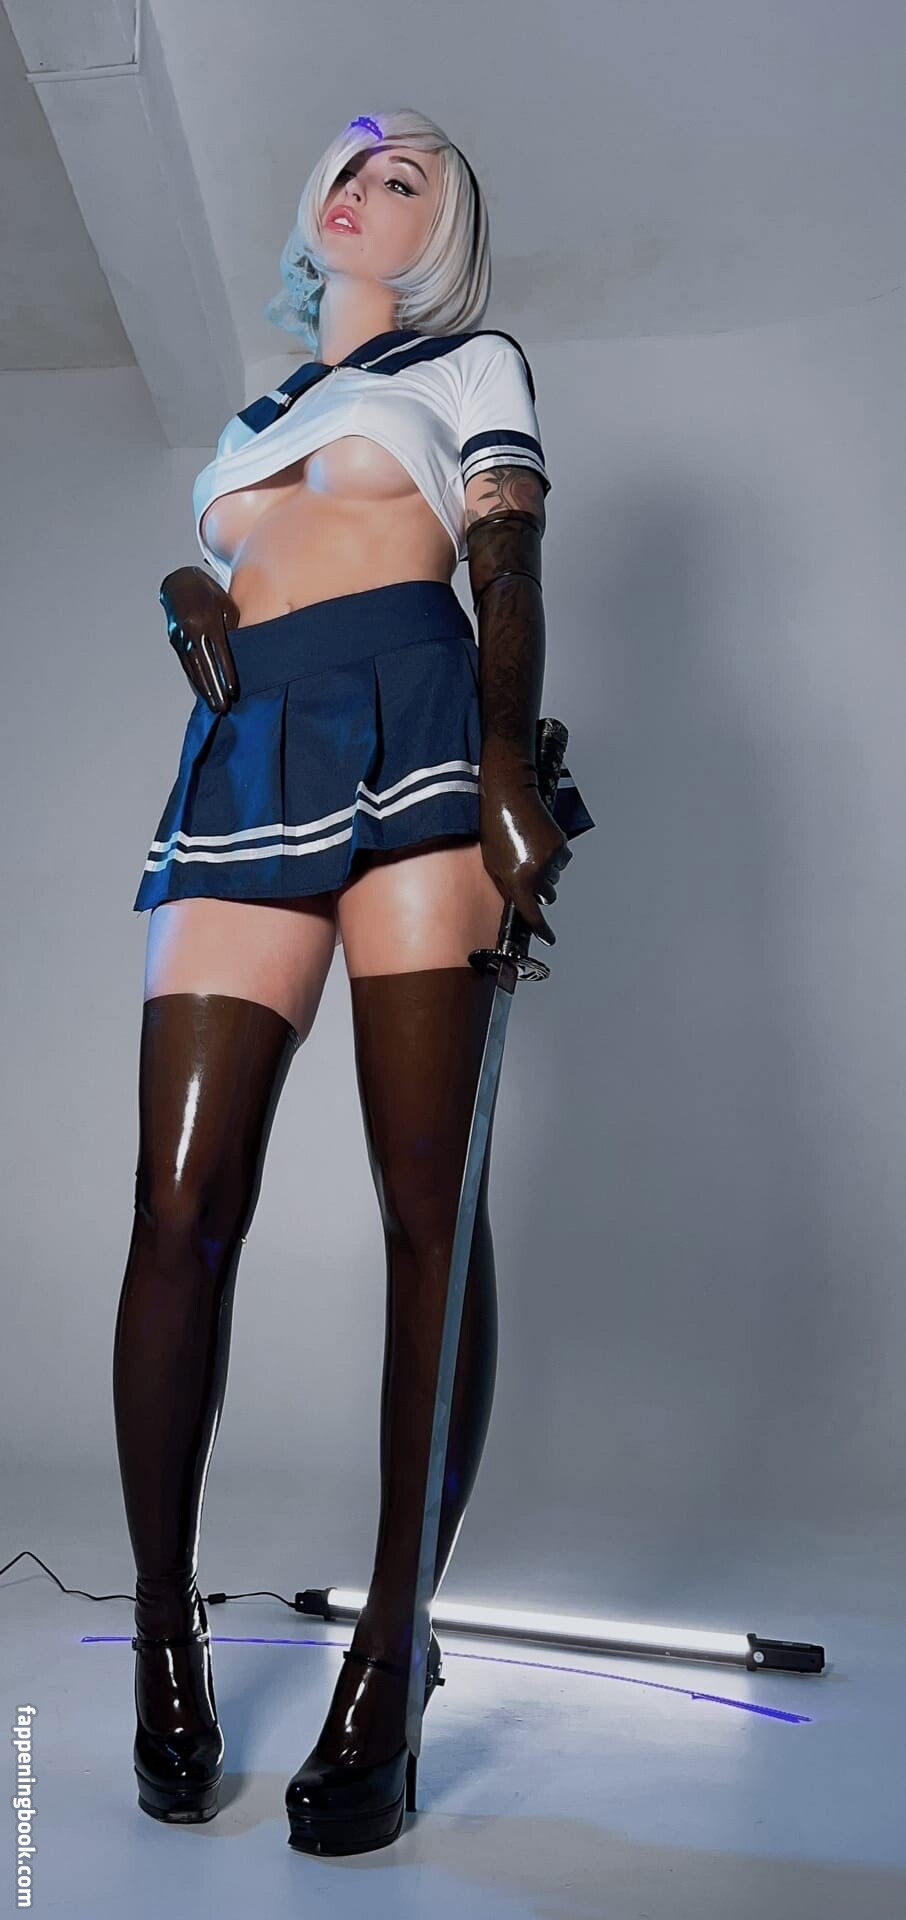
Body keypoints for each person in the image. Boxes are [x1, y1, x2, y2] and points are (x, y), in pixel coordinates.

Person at [113, 105, 595, 1854]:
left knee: (423, 1211)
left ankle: (393, 1654)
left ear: (438, 232)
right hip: (246, 752)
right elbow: (250, 555)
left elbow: (502, 562)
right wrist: (192, 578)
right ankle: (162, 1636)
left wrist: (507, 766)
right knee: (180, 1208)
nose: (366, 186)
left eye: (408, 178)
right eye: (352, 162)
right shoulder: (251, 420)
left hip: (418, 731)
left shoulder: (472, 366)